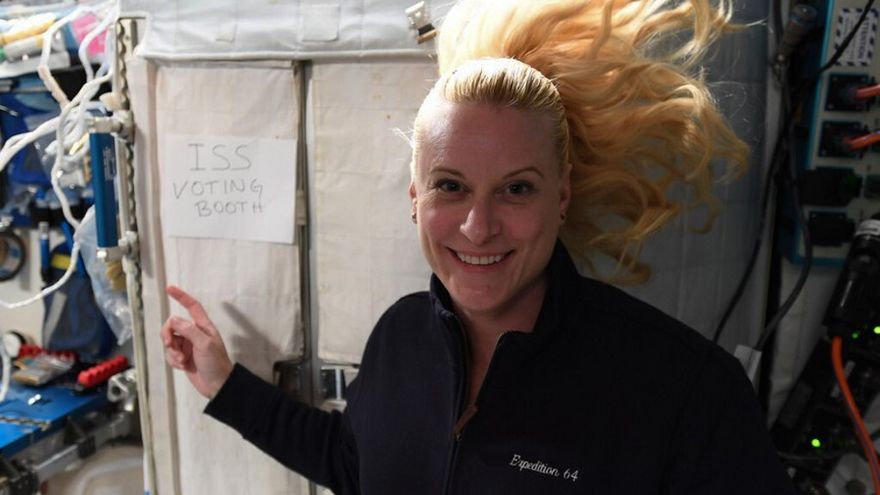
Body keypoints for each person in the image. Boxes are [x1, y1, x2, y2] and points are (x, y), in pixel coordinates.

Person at [162, 0, 796, 493]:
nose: (477, 226)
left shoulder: (683, 391)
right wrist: (224, 384)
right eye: (451, 186)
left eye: (516, 189)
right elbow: (357, 463)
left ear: (562, 195)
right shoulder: (399, 338)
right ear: (415, 196)